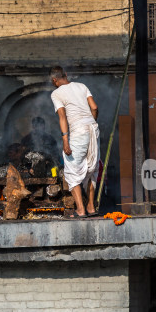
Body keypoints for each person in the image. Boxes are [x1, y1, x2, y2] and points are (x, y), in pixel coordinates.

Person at [50, 66, 100, 218]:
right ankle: (91, 206)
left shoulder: (56, 93)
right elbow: (94, 107)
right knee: (92, 168)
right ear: (65, 75)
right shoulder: (81, 86)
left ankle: (80, 210)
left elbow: (62, 117)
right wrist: (91, 123)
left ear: (54, 80)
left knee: (72, 172)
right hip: (93, 128)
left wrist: (65, 140)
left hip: (78, 131)